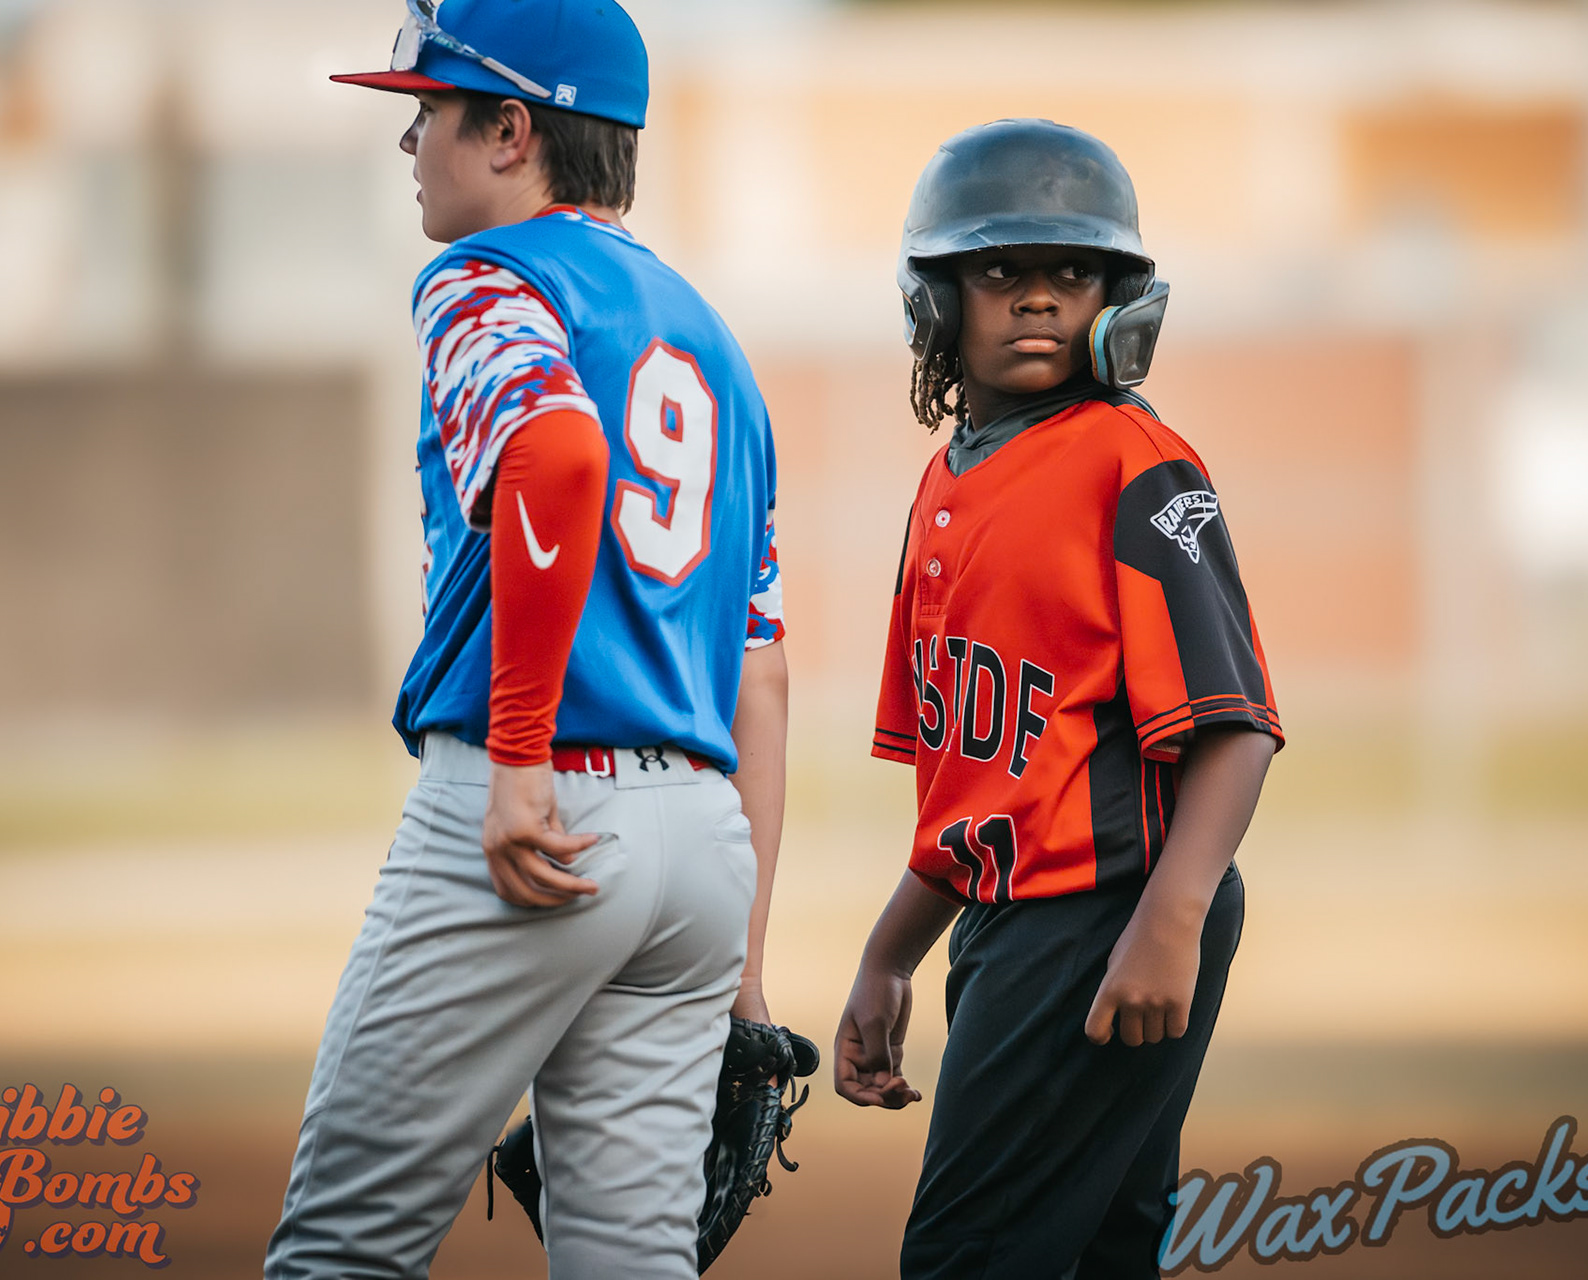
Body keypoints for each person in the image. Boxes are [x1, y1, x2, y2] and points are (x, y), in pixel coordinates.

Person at [266, 2, 788, 1277]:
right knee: (632, 1261)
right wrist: (744, 965)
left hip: (540, 815)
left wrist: (516, 760)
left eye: (431, 110)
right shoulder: (715, 342)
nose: (410, 141)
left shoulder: (490, 276)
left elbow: (555, 454)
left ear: (511, 130)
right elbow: (762, 667)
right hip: (701, 852)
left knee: (341, 1245)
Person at [833, 118, 1284, 1279]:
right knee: (1096, 1256)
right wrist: (890, 955)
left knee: (965, 1257)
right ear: (937, 299)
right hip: (1021, 917)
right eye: (1000, 270)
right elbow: (988, 798)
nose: (1038, 297)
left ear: (1116, 300)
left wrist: (1170, 918)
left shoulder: (1132, 459)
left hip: (1108, 909)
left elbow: (1235, 727)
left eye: (1073, 271)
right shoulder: (946, 484)